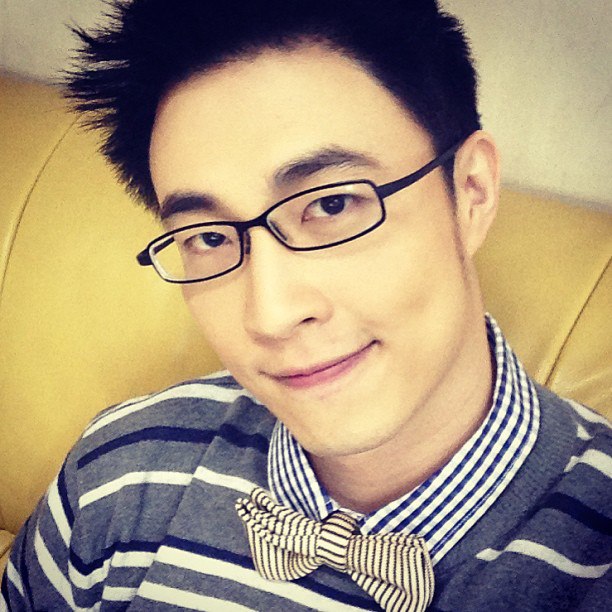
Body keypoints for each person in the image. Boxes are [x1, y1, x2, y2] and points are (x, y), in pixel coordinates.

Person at [1, 0, 610, 610]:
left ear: (470, 191)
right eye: (208, 238)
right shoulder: (119, 471)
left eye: (331, 204)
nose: (270, 316)